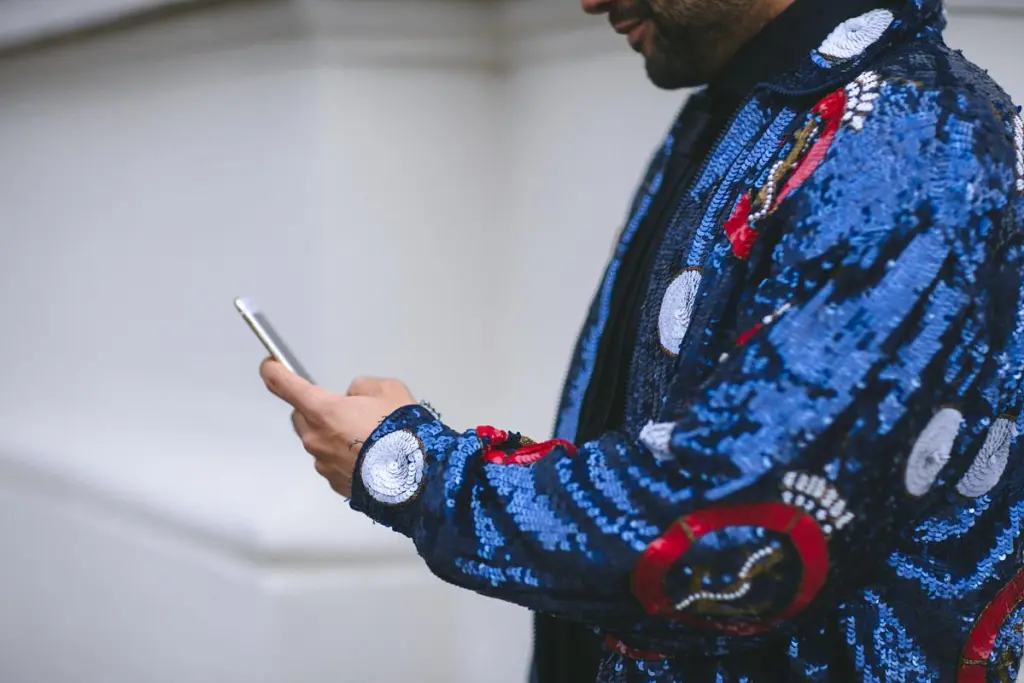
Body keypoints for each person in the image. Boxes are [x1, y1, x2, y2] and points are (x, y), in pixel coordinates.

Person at [259, 0, 1024, 680]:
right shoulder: (741, 106)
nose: (588, 1)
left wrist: (409, 468)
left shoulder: (918, 139)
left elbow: (744, 531)